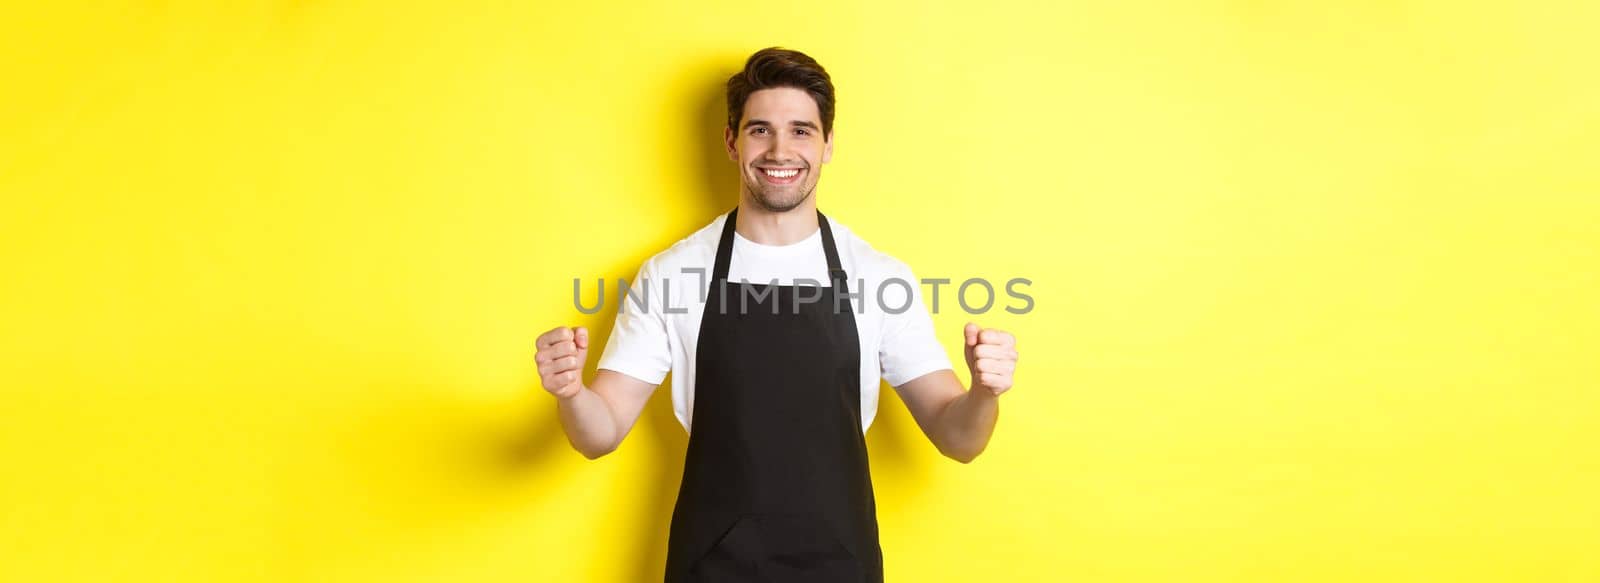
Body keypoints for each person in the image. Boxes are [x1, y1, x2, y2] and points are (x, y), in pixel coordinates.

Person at [534, 46, 1020, 582]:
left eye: (802, 131)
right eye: (760, 129)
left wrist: (983, 393)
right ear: (731, 141)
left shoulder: (879, 277)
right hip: (711, 562)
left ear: (828, 144)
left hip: (841, 561)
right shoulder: (672, 274)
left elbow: (959, 439)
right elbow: (599, 434)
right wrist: (571, 394)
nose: (779, 150)